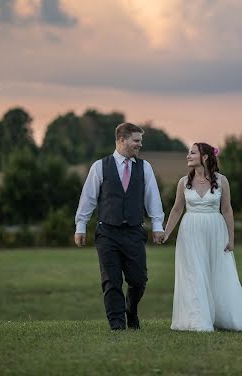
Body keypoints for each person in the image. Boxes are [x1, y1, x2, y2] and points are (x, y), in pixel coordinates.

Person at [163, 142, 242, 332]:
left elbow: (227, 210)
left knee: (217, 273)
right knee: (194, 274)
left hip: (216, 231)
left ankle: (222, 317)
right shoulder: (184, 182)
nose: (188, 156)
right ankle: (198, 321)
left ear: (205, 157)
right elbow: (177, 209)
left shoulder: (222, 181)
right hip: (190, 231)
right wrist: (167, 233)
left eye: (192, 153)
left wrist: (231, 239)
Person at [74, 122, 165, 330]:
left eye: (140, 141)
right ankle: (117, 325)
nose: (139, 145)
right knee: (111, 280)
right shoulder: (100, 166)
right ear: (122, 140)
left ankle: (130, 310)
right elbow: (88, 198)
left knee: (138, 279)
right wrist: (81, 225)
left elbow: (153, 198)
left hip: (134, 231)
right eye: (136, 140)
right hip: (107, 232)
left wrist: (157, 224)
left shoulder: (145, 168)